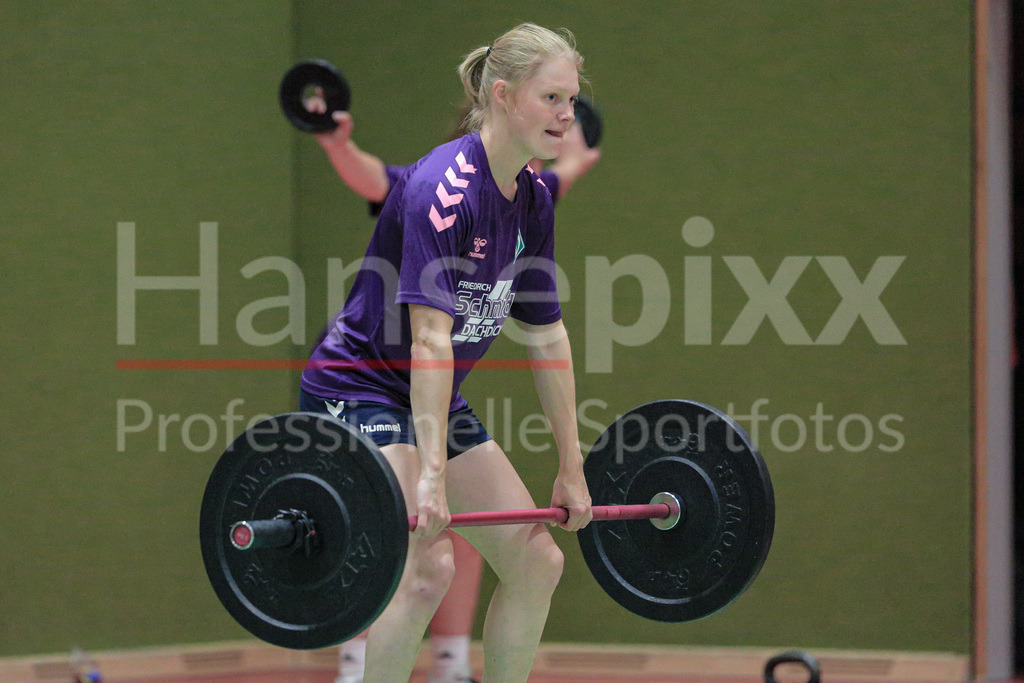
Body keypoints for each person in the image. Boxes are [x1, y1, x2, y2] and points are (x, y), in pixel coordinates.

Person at [299, 23, 593, 683]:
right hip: (361, 385)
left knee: (538, 561)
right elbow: (431, 339)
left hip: (430, 391)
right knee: (428, 565)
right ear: (503, 94)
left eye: (571, 100)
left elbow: (545, 333)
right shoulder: (444, 189)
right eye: (552, 98)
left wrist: (571, 466)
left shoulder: (534, 199)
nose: (567, 114)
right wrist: (431, 474)